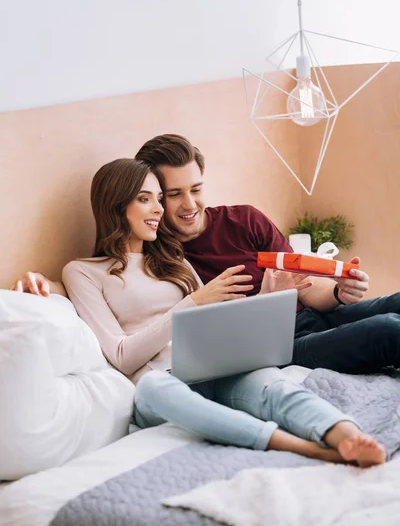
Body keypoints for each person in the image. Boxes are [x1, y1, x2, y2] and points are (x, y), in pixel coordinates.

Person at [11, 158, 386, 467]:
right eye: (147, 199)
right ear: (116, 205)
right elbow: (122, 357)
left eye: (160, 198)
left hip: (213, 364)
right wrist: (193, 302)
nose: (160, 209)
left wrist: (269, 297)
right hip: (161, 381)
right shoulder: (83, 271)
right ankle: (305, 448)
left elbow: (221, 322)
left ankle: (348, 435)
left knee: (271, 385)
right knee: (155, 388)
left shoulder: (173, 260)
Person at [132, 134, 400, 375]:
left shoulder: (244, 220)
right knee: (388, 330)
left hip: (310, 317)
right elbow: (207, 339)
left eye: (196, 189)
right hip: (276, 349)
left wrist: (337, 293)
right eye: (174, 194)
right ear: (154, 197)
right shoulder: (160, 260)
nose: (190, 204)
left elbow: (301, 283)